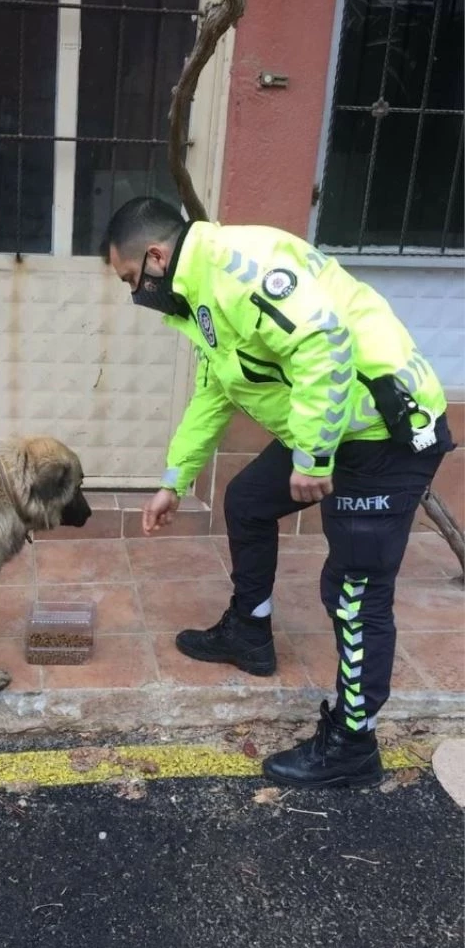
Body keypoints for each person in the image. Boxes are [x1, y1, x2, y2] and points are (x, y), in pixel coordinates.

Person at [103, 196, 455, 789]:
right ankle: (249, 630)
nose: (133, 293)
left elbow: (325, 341)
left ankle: (353, 742)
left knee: (354, 590)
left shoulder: (239, 266)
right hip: (333, 428)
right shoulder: (200, 296)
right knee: (246, 502)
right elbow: (216, 391)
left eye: (130, 279)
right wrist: (174, 480)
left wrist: (314, 453)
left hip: (383, 432)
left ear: (156, 256)